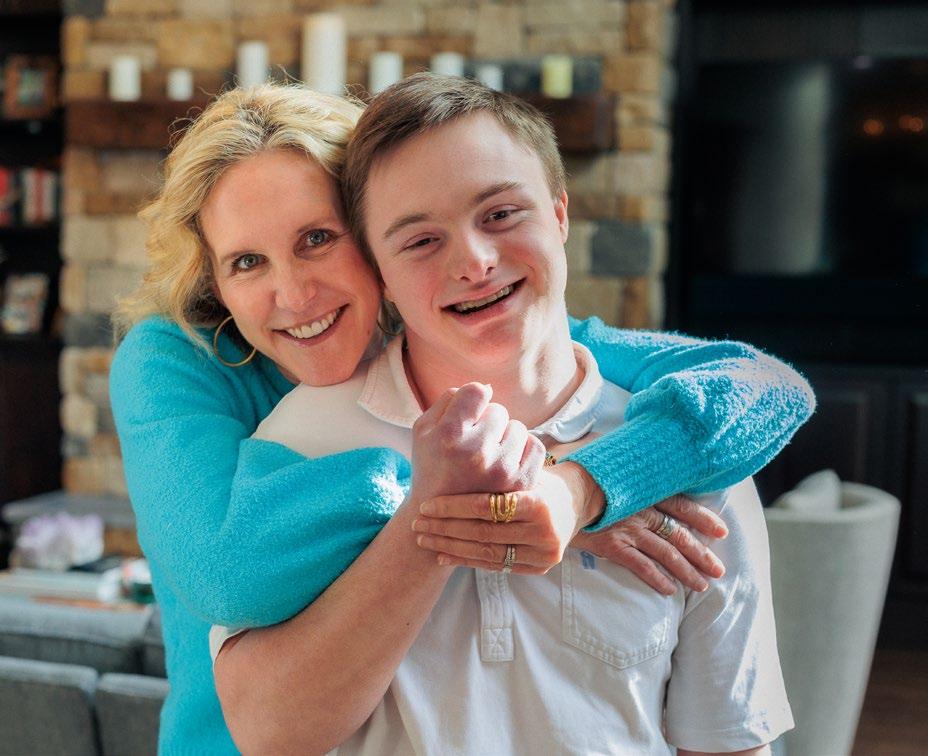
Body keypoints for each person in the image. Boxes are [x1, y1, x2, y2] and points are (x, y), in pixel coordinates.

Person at [109, 84, 813, 753]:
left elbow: (766, 383)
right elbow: (223, 573)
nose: (293, 293)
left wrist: (582, 487)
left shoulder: (484, 330)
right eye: (246, 261)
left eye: (317, 239)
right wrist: (501, 499)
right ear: (215, 280)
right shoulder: (178, 363)